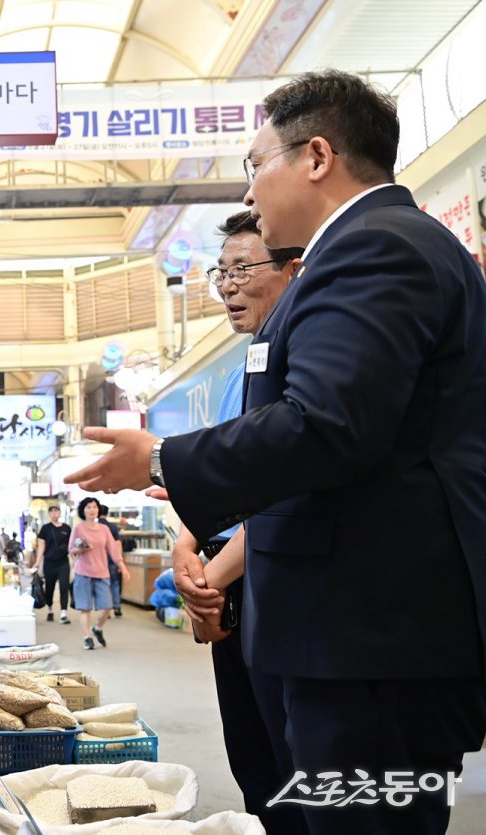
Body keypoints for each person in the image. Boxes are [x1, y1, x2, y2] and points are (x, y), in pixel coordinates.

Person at [65, 70, 486, 834]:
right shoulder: (373, 248)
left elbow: (326, 425)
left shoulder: (374, 251)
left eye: (257, 164)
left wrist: (162, 459)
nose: (251, 194)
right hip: (361, 634)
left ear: (317, 155)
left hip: (374, 640)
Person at [170, 211, 306, 834]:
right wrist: (186, 547)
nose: (227, 285)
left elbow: (292, 486)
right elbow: (221, 478)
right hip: (231, 581)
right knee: (253, 754)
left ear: (292, 269)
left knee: (294, 760)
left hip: (277, 579)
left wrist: (208, 579)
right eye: (219, 272)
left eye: (243, 269)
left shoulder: (303, 362)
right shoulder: (243, 367)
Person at [69, 496, 129, 650]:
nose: (92, 510)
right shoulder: (78, 528)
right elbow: (71, 550)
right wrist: (81, 549)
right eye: (88, 507)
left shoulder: (104, 529)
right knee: (85, 608)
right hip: (83, 572)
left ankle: (98, 628)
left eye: (94, 507)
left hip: (102, 572)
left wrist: (122, 566)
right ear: (83, 510)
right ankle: (87, 636)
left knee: (107, 606)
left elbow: (113, 549)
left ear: (98, 510)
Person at [33, 504, 72, 623]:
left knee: (64, 587)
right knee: (49, 589)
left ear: (59, 513)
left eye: (56, 511)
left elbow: (71, 546)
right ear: (49, 514)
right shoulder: (45, 529)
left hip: (63, 562)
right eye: (52, 511)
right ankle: (50, 609)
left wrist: (75, 560)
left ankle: (63, 613)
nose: (54, 513)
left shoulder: (66, 528)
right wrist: (37, 562)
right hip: (49, 564)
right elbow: (41, 546)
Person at [96, 502, 125, 617]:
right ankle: (117, 607)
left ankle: (106, 609)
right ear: (107, 513)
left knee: (104, 585)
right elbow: (118, 545)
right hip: (113, 560)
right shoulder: (113, 527)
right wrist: (120, 561)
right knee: (115, 583)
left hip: (100, 560)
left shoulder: (96, 526)